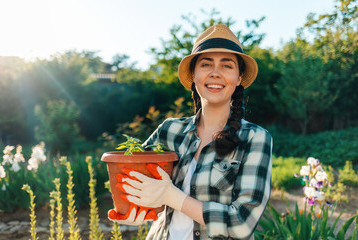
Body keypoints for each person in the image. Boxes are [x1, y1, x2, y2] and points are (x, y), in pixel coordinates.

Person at [108, 24, 273, 240]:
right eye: (206, 64)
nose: (215, 73)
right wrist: (134, 209)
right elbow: (133, 174)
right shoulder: (169, 130)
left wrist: (173, 196)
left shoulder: (255, 139)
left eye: (227, 66)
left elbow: (241, 223)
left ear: (239, 77)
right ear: (194, 74)